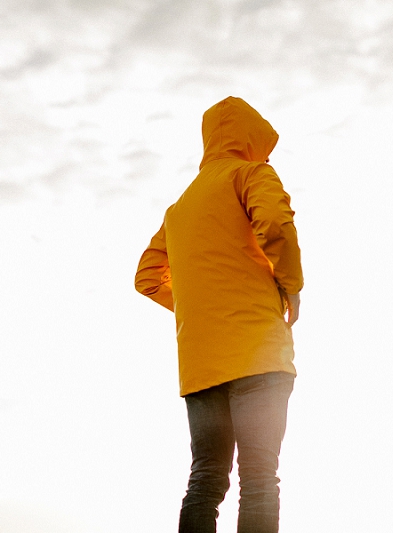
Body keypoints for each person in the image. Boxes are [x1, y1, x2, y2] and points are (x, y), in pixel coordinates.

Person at [135, 96, 304, 533]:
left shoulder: (180, 209)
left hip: (202, 366)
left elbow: (147, 277)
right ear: (251, 137)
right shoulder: (251, 173)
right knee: (260, 479)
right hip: (259, 356)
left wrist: (199, 303)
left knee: (206, 480)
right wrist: (290, 286)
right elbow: (277, 225)